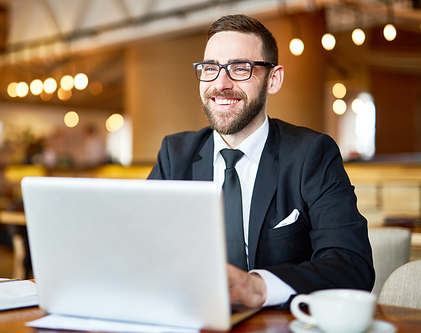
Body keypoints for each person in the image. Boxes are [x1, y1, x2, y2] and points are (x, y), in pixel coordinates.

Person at [148, 14, 374, 309]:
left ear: (273, 79)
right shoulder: (174, 154)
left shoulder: (312, 155)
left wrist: (259, 286)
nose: (221, 83)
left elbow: (352, 265)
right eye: (210, 68)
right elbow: (141, 248)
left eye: (239, 68)